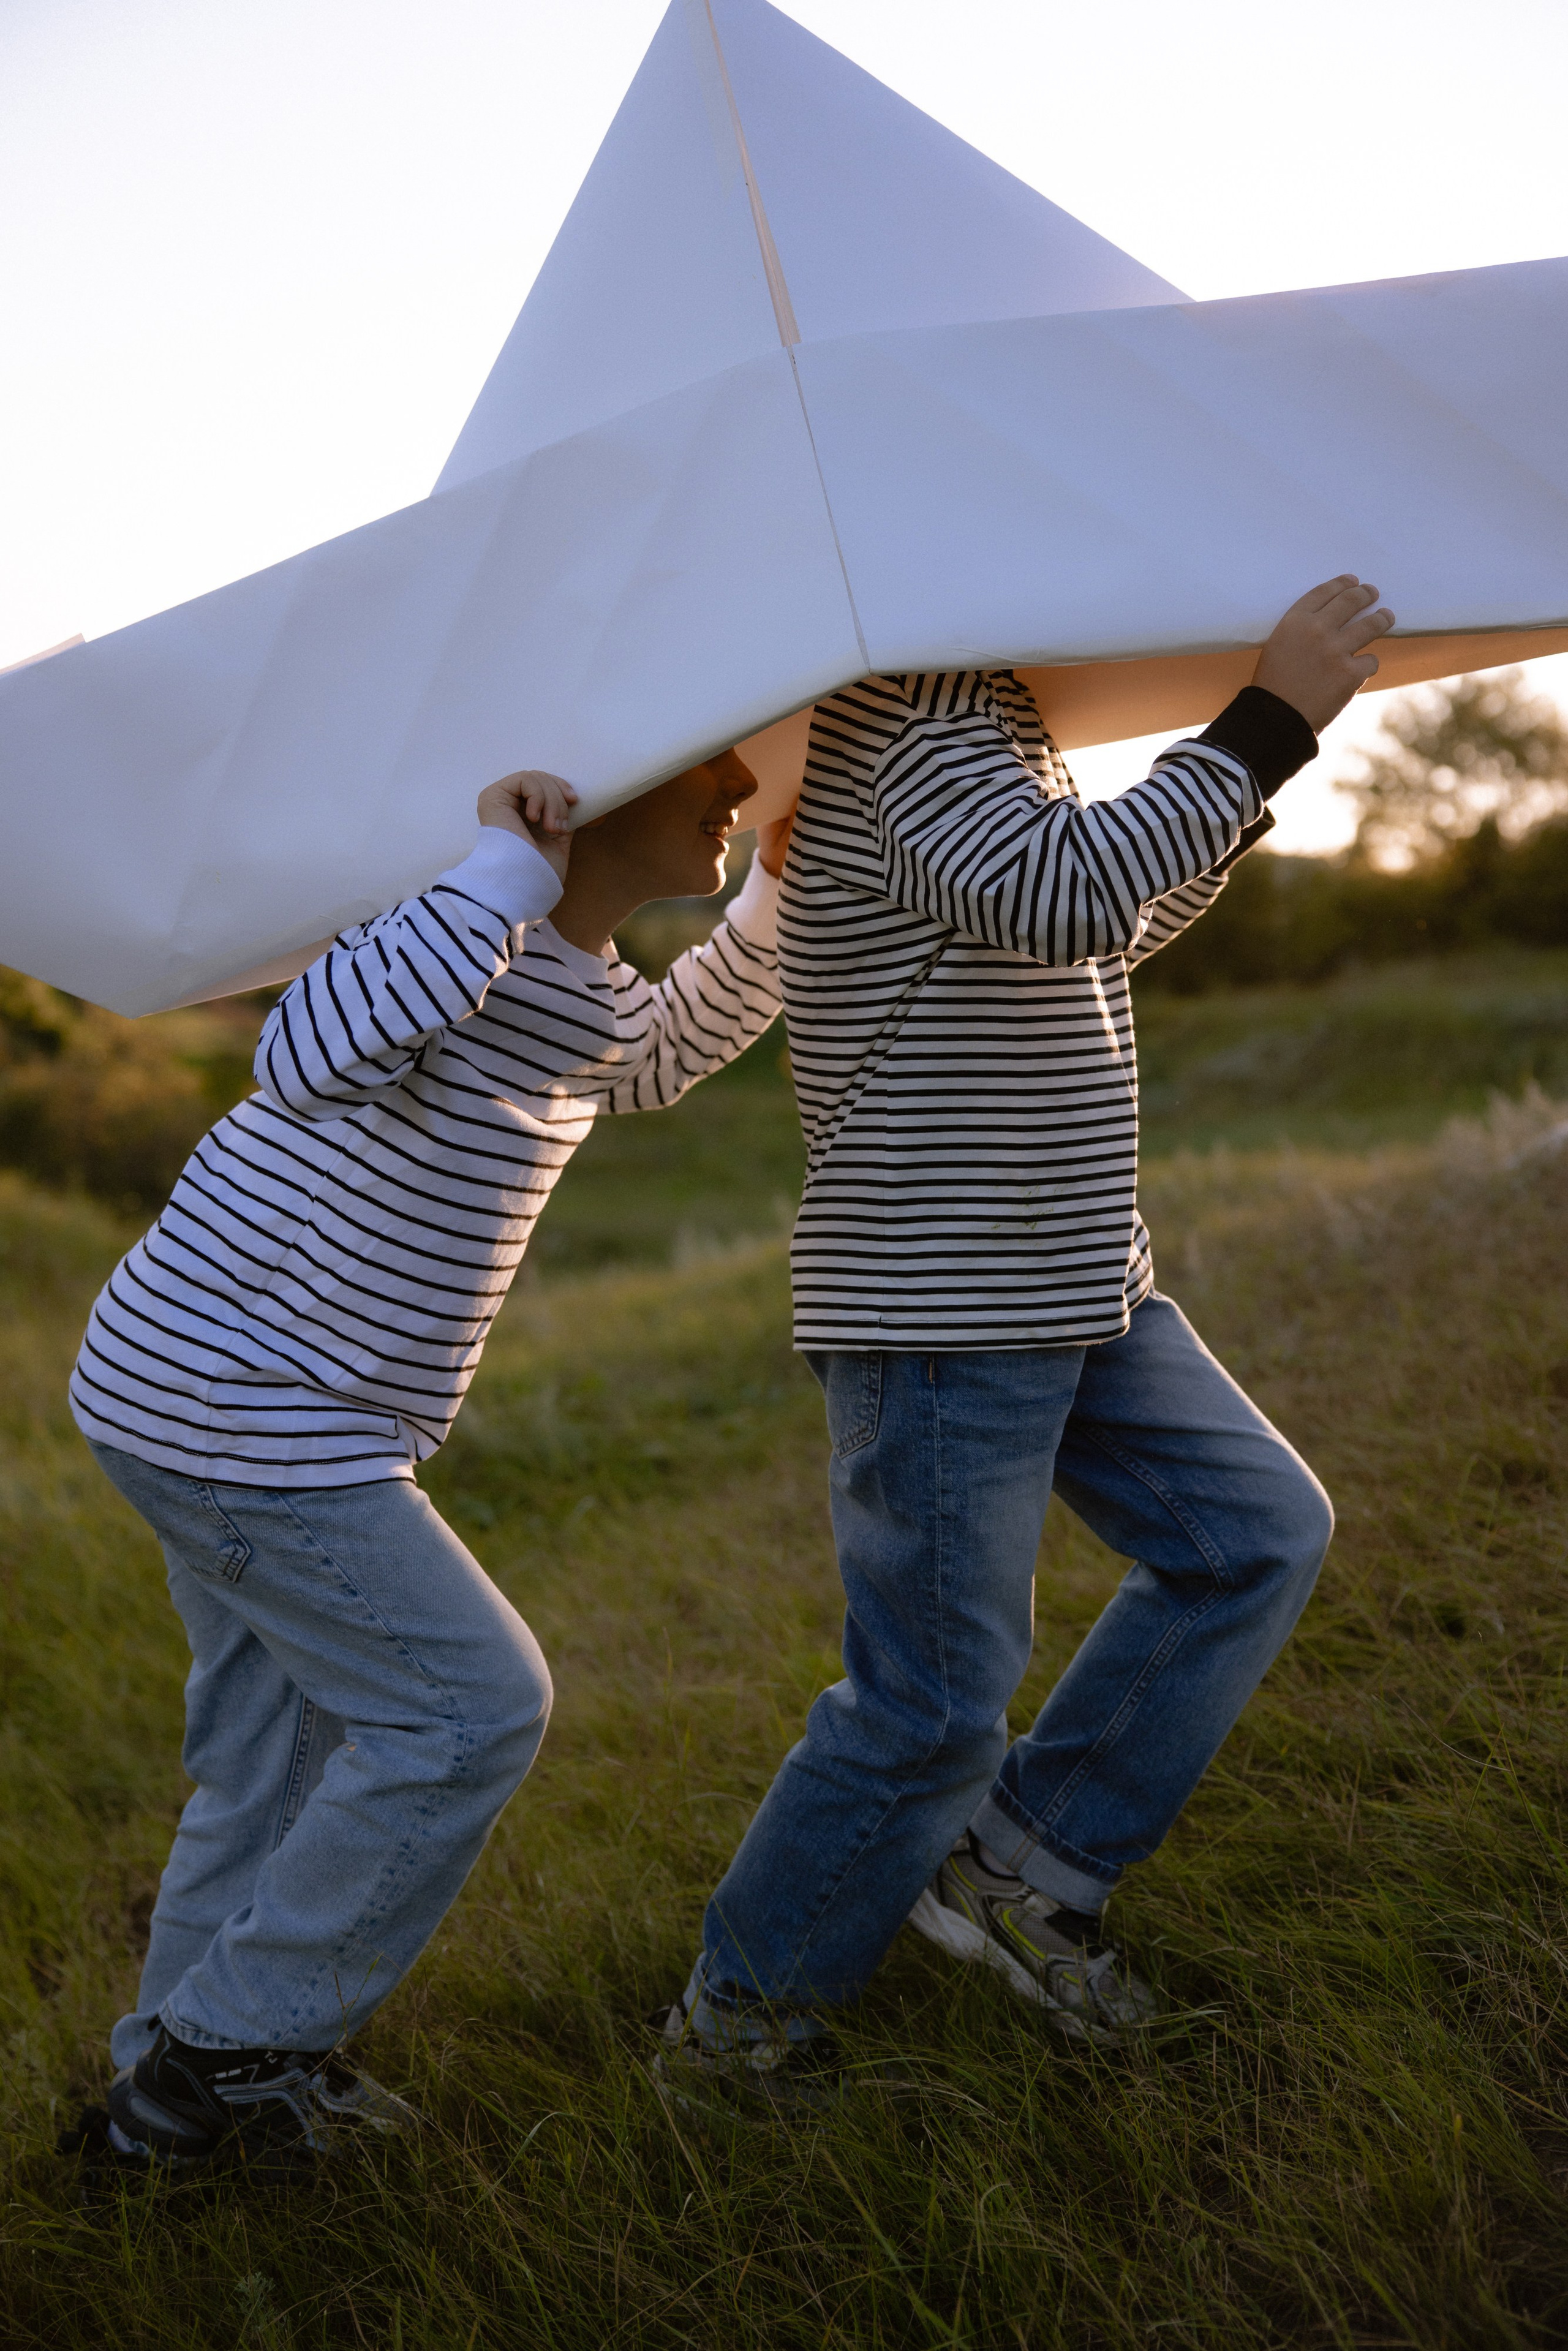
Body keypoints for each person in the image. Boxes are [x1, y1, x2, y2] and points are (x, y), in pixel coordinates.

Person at [657, 577, 1396, 2114]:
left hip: (1076, 1282)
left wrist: (1253, 768)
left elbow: (1090, 916)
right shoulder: (908, 706)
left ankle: (1021, 1860)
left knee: (1251, 1534)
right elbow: (1061, 893)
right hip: (945, 1303)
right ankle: (738, 2028)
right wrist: (1261, 725)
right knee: (928, 1704)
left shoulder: (991, 715)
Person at [64, 749, 790, 2170]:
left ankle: (167, 2094)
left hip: (233, 1407)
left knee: (279, 1751)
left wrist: (774, 890)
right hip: (241, 1407)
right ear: (590, 780)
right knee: (471, 1704)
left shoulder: (572, 989)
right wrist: (501, 871)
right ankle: (233, 2054)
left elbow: (656, 1049)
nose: (742, 775)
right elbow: (302, 1049)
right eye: (707, 754)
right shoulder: (443, 928)